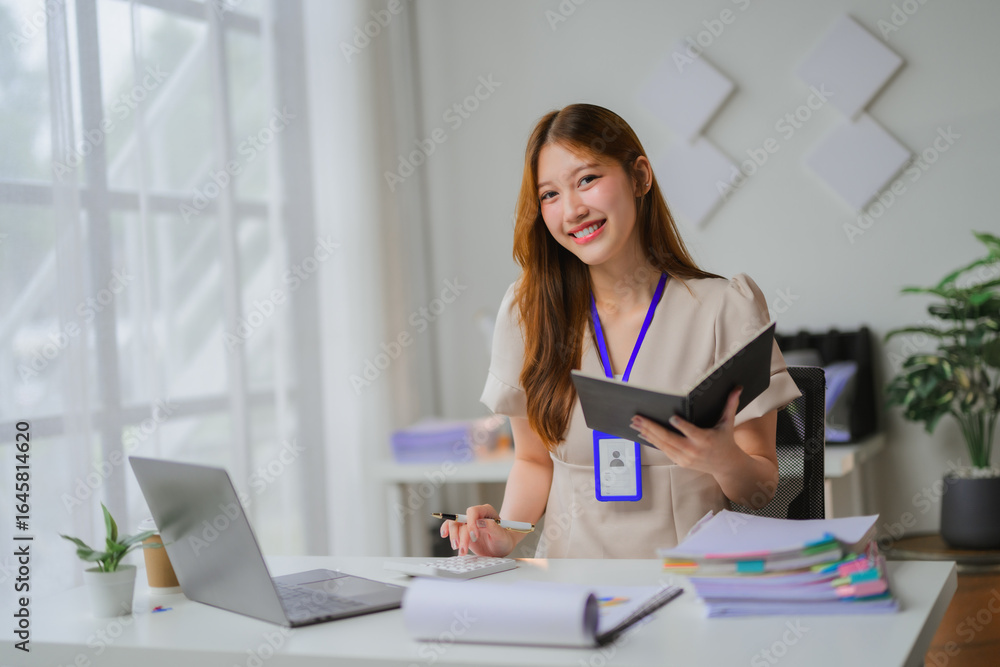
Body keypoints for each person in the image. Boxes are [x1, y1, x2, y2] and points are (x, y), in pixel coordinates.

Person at [441, 104, 801, 559]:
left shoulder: (725, 308)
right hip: (571, 588)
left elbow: (763, 488)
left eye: (587, 179)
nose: (572, 210)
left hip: (689, 582)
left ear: (639, 177)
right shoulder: (529, 312)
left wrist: (722, 458)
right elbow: (532, 461)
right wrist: (504, 534)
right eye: (549, 194)